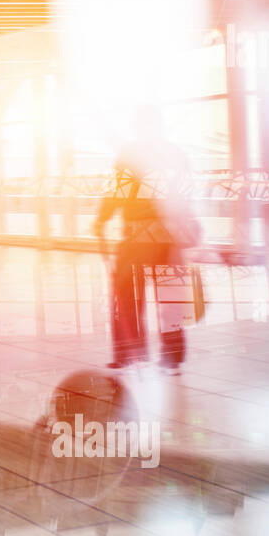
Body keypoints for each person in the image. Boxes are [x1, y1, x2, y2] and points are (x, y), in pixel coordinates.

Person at [93, 105, 200, 371]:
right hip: (169, 237)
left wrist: (102, 219)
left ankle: (129, 354)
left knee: (126, 297)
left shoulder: (129, 155)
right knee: (170, 298)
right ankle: (172, 358)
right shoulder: (176, 154)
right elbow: (186, 192)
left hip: (137, 238)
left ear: (137, 127)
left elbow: (115, 192)